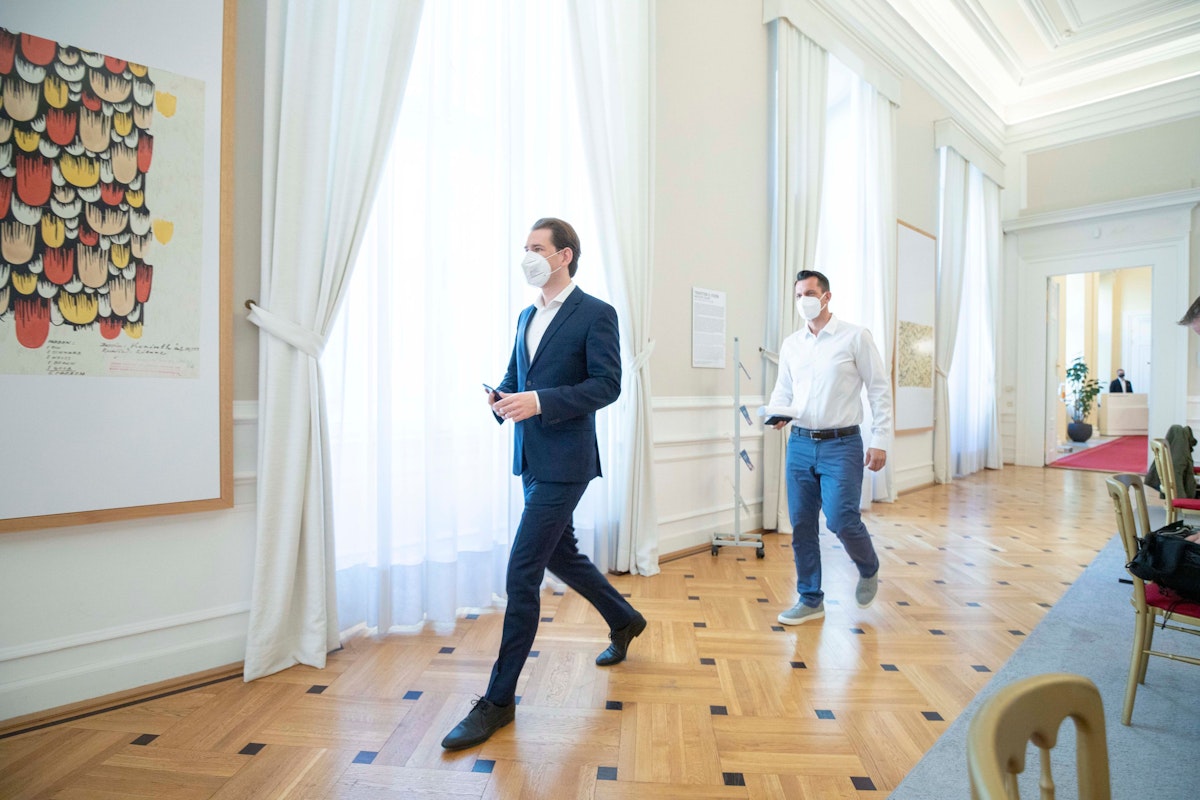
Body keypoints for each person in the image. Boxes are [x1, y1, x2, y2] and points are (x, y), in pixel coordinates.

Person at [441, 218, 646, 751]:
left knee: (522, 571)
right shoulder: (526, 315)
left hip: (568, 461)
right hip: (530, 456)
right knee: (561, 554)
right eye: (526, 247)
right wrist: (502, 396)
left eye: (537, 247)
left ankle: (498, 701)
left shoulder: (596, 313)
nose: (528, 255)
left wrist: (539, 402)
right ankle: (624, 619)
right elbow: (518, 377)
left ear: (564, 255)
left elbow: (607, 385)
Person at [767, 269, 892, 625]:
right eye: (798, 295)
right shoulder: (792, 345)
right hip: (800, 443)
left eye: (809, 293)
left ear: (826, 296)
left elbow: (879, 389)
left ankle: (868, 566)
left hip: (843, 444)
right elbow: (783, 390)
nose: (803, 300)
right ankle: (810, 599)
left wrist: (880, 440)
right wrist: (778, 412)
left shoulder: (855, 337)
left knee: (841, 519)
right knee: (802, 525)